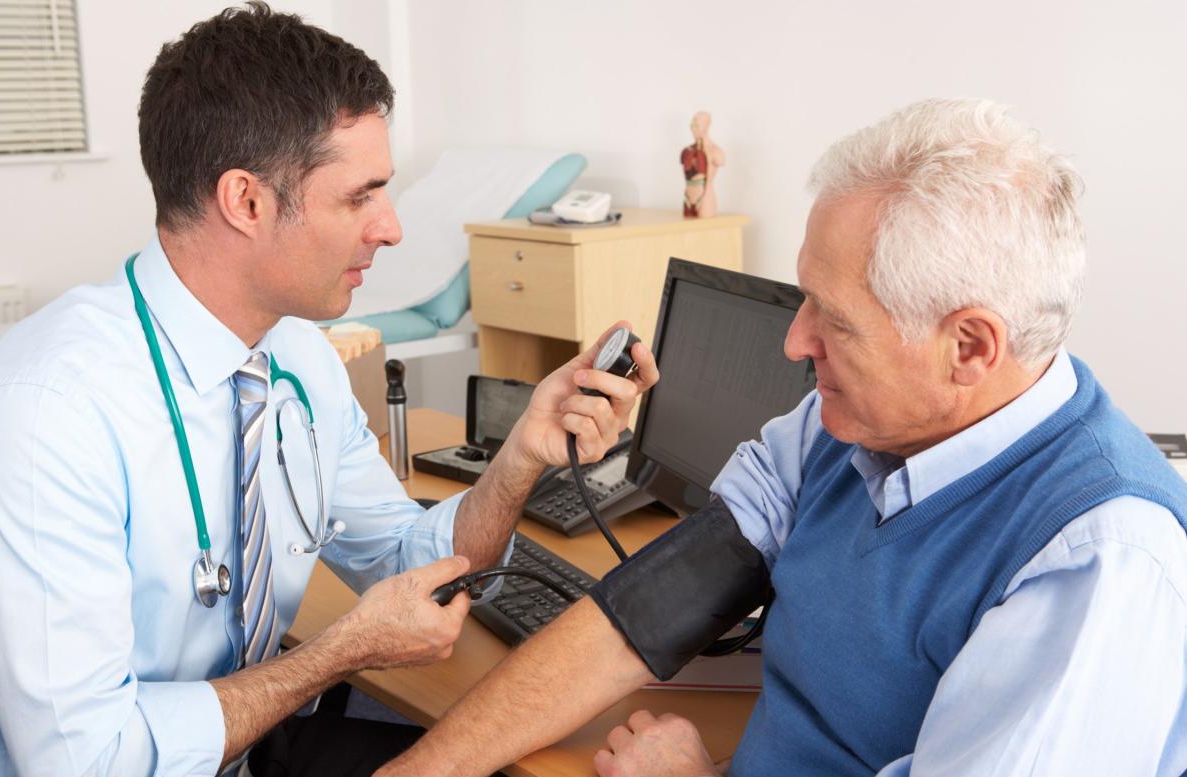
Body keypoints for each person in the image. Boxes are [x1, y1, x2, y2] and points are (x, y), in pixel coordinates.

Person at [0, 4, 658, 776]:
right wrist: (337, 652)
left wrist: (520, 456)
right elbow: (86, 761)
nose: (391, 228)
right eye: (360, 197)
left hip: (240, 750)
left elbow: (406, 559)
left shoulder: (296, 360)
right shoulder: (45, 419)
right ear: (246, 201)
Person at [377, 98, 1187, 777]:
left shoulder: (1099, 563)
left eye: (834, 319)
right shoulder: (847, 424)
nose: (795, 344)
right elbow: (642, 616)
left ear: (970, 347)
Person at [681, 111, 725, 218]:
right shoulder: (687, 151)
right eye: (692, 125)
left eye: (696, 125)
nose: (692, 128)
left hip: (705, 198)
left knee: (705, 231)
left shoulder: (715, 151)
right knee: (687, 231)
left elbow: (720, 161)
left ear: (706, 126)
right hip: (688, 199)